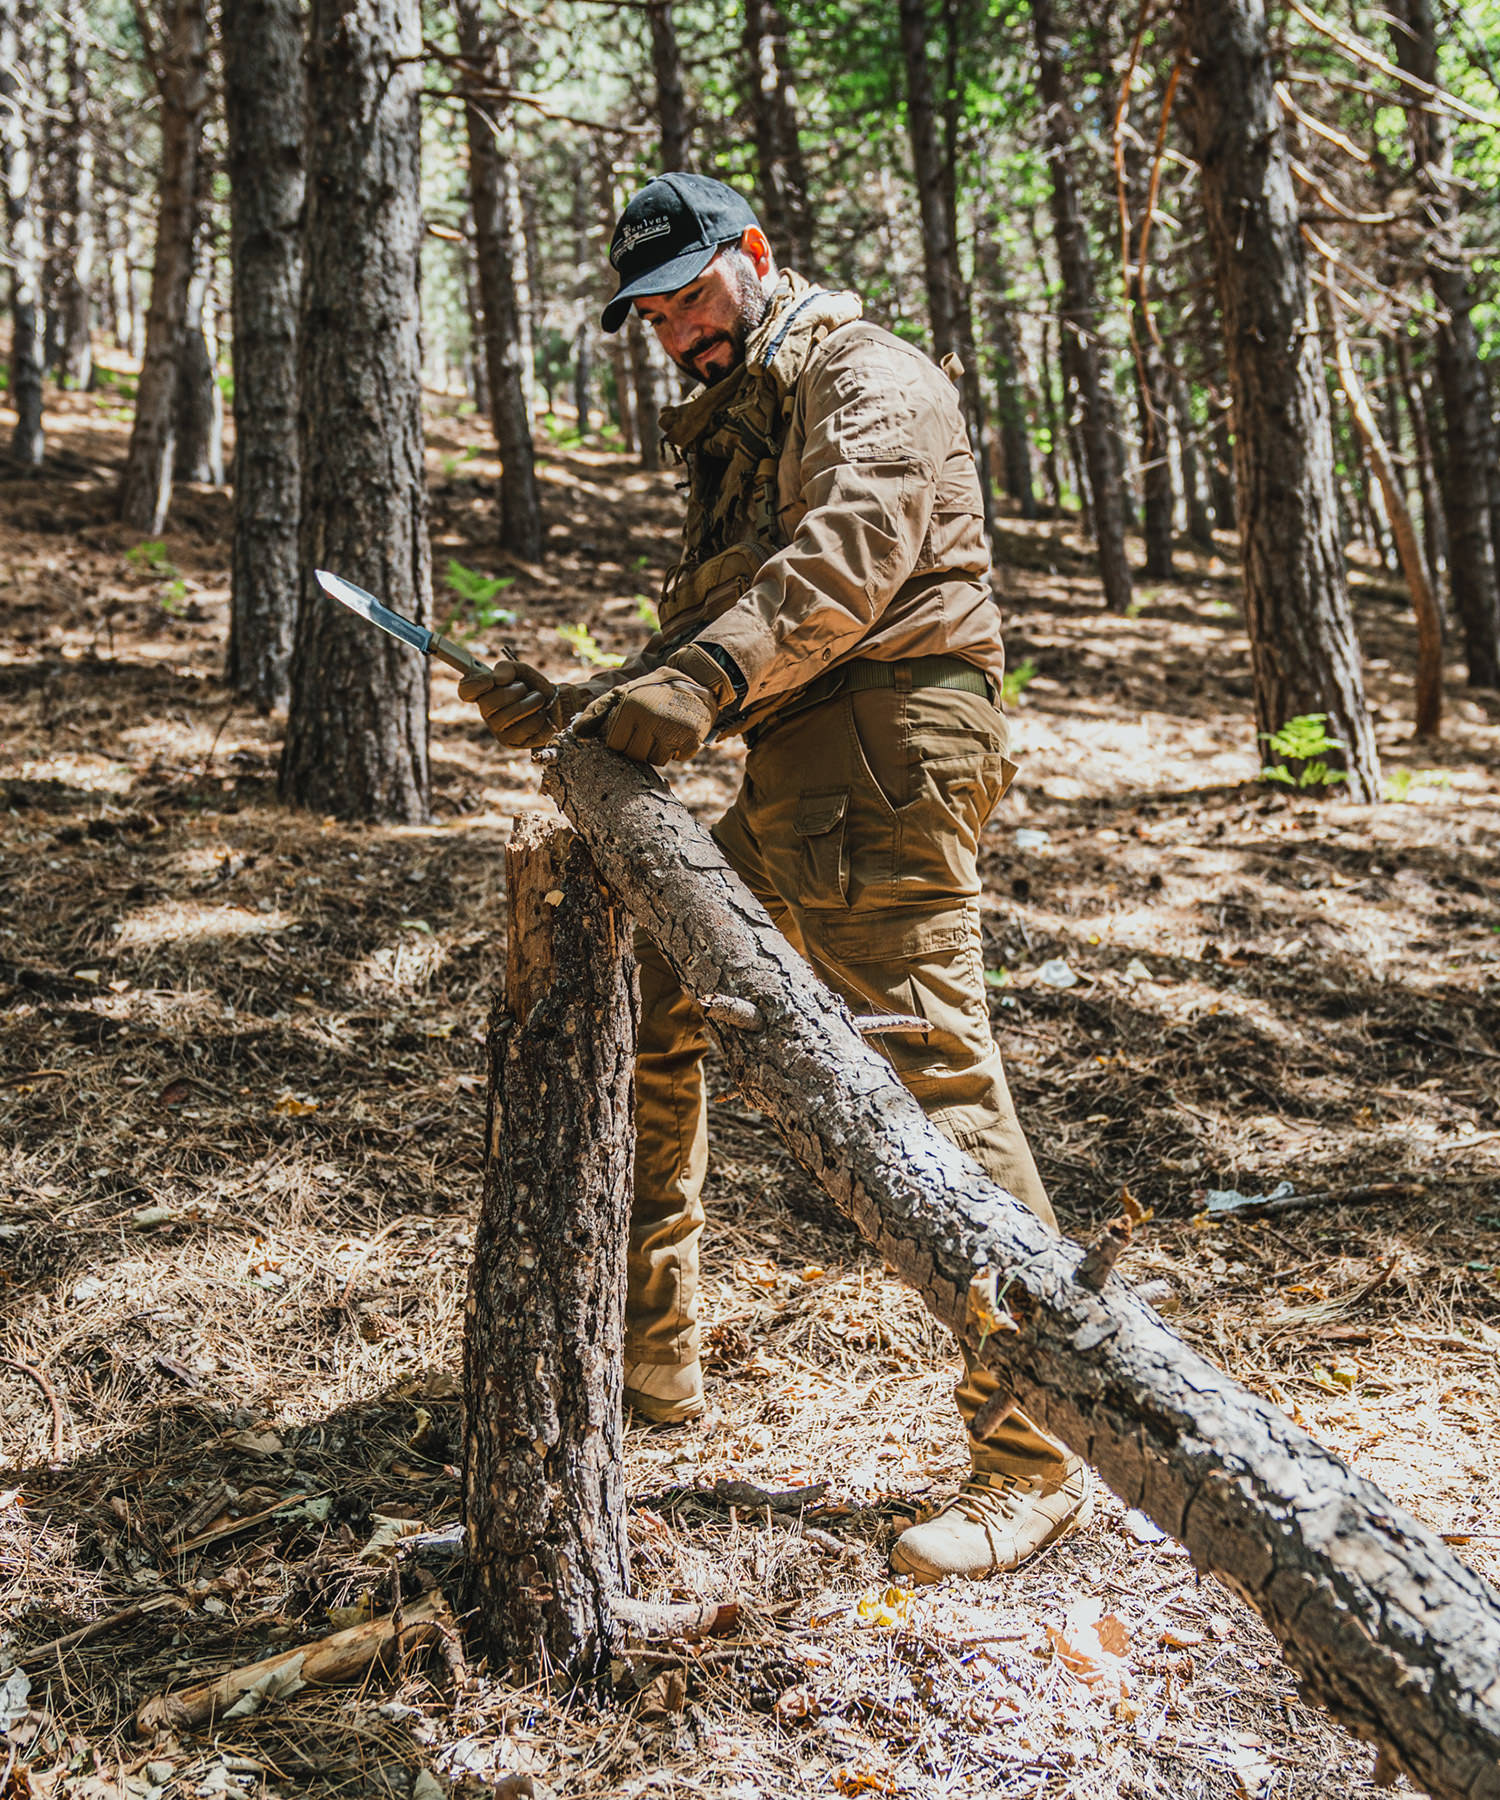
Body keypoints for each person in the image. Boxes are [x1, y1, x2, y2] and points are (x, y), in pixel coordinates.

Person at [459, 172, 1093, 1583]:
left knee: (934, 1082)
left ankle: (1038, 1455)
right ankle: (644, 1352)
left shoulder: (872, 375)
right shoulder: (746, 415)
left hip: (889, 751)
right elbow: (721, 623)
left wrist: (689, 687)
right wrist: (585, 697)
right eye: (653, 313)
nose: (677, 328)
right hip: (804, 766)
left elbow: (844, 561)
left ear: (754, 257)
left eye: (692, 292)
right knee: (656, 999)